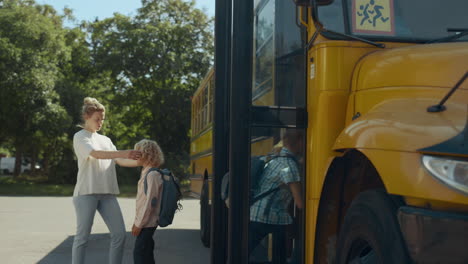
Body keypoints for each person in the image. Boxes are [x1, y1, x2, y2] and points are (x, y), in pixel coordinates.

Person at [72, 97, 142, 264]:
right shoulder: (80, 137)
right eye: (97, 119)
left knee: (119, 235)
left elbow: (120, 161)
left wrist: (143, 162)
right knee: (82, 238)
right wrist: (124, 152)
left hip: (107, 194)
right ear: (87, 117)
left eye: (102, 119)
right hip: (86, 194)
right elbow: (96, 154)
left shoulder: (106, 140)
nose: (100, 122)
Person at [249, 129, 304, 264]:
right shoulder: (289, 166)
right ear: (300, 142)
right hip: (268, 215)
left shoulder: (275, 157)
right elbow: (300, 203)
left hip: (259, 212)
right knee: (279, 253)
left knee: (245, 249)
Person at [131, 139, 165, 264]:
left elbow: (151, 203)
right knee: (146, 251)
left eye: (137, 153)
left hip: (148, 223)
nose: (134, 156)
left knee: (139, 253)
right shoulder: (146, 172)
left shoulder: (152, 175)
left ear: (146, 154)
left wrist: (139, 224)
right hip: (146, 222)